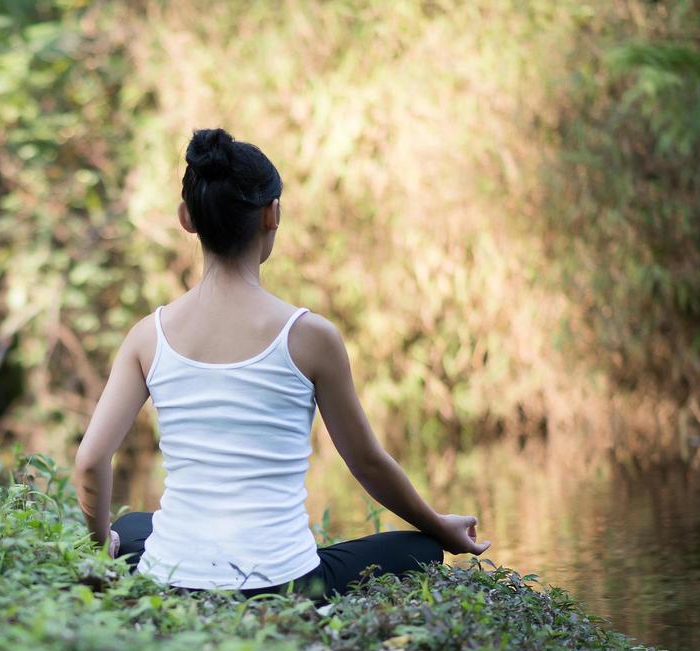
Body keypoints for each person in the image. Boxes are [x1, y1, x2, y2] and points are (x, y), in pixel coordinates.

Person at [72, 128, 490, 599]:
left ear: (186, 218)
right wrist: (440, 527)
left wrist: (97, 547)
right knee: (421, 548)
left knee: (128, 528)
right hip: (284, 585)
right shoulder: (310, 337)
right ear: (273, 214)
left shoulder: (149, 336)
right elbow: (368, 463)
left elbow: (90, 460)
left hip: (170, 578)